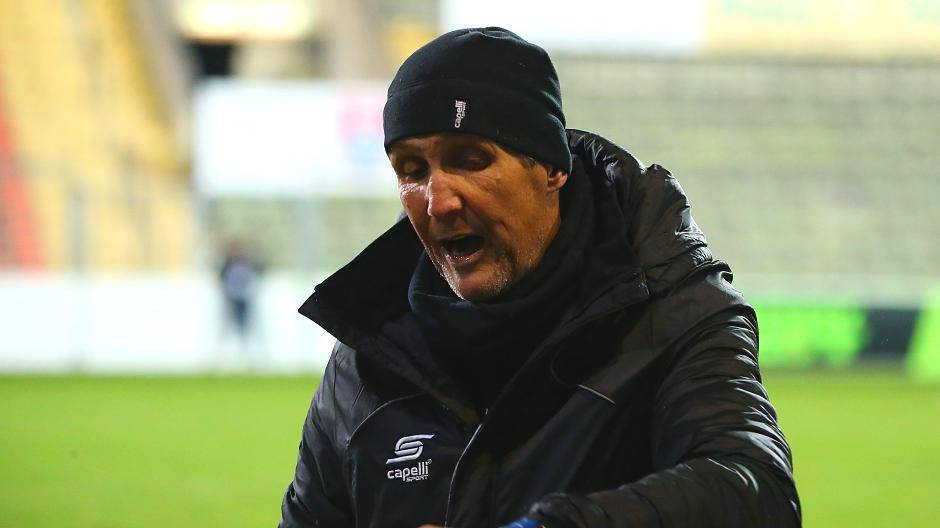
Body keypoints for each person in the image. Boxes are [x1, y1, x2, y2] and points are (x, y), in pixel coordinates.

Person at [280, 27, 801, 527]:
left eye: (471, 160)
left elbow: (756, 491)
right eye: (412, 171)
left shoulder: (675, 312)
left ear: (552, 168)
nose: (438, 201)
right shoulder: (366, 362)